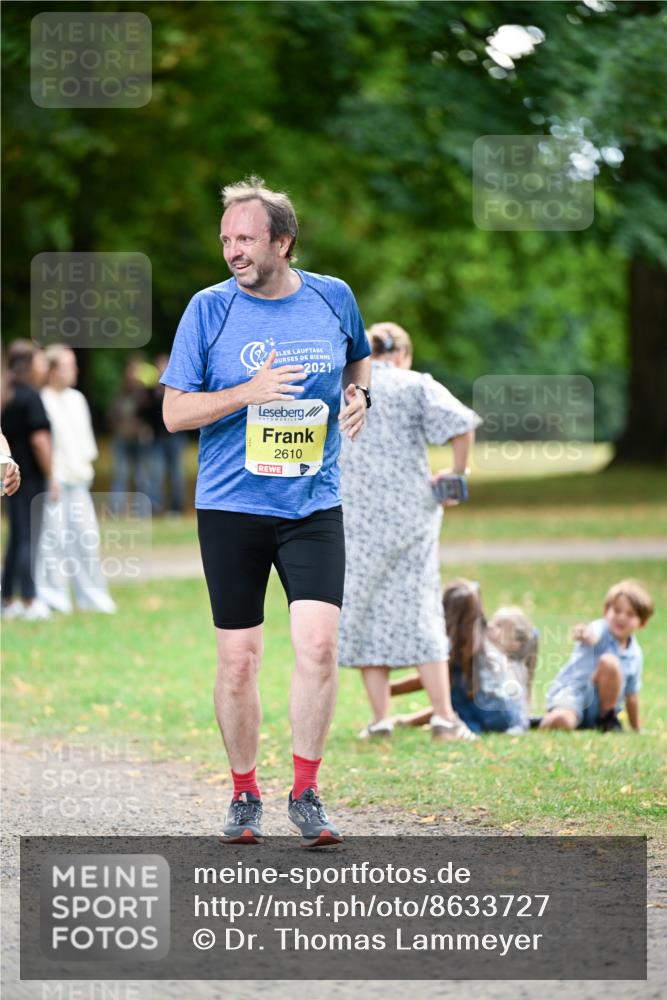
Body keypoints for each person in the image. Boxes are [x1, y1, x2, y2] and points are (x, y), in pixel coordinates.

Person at [160, 176, 371, 846]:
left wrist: (361, 396)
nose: (232, 251)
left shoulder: (333, 298)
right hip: (231, 507)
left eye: (245, 238)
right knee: (240, 661)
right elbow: (172, 413)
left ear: (282, 241)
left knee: (318, 644)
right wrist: (247, 392)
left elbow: (359, 362)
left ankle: (306, 791)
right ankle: (244, 794)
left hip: (313, 503)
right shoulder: (208, 309)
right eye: (225, 239)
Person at [338, 322, 480, 741]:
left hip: (355, 516)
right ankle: (443, 717)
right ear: (402, 354)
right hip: (410, 515)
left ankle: (380, 719)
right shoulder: (416, 384)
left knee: (363, 608)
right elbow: (461, 424)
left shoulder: (344, 388)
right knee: (419, 607)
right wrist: (456, 474)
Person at [34, 344, 116, 615]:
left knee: (86, 539)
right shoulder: (41, 400)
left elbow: (85, 445)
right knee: (53, 542)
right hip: (54, 483)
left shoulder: (77, 399)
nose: (75, 370)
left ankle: (92, 598)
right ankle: (54, 597)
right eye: (68, 365)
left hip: (78, 480)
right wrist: (51, 477)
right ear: (53, 370)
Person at [540, 579, 653, 733]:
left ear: (642, 623)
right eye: (617, 610)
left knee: (610, 663)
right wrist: (584, 633)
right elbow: (593, 635)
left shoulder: (635, 654)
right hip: (574, 696)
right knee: (564, 721)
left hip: (598, 708)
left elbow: (631, 695)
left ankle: (607, 720)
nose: (621, 618)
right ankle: (544, 720)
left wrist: (637, 729)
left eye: (630, 614)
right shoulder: (600, 628)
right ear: (606, 611)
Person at [441, 580, 536, 735]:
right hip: (506, 715)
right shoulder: (485, 645)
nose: (490, 626)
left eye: (500, 626)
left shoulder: (474, 645)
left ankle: (469, 727)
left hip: (495, 714)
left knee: (455, 684)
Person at [1, 340, 53, 621]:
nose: (44, 366)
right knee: (28, 537)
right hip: (29, 478)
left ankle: (7, 598)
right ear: (30, 365)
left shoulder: (6, 395)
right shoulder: (31, 396)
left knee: (16, 537)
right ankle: (30, 599)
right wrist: (52, 474)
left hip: (7, 477)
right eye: (41, 361)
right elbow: (40, 440)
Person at [108, 357, 156, 513]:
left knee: (141, 477)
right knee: (120, 475)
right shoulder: (121, 392)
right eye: (132, 370)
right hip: (122, 439)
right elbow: (112, 416)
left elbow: (152, 415)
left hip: (140, 441)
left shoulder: (146, 394)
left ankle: (142, 511)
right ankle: (116, 509)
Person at [149, 354, 186, 516]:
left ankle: (176, 509)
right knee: (156, 474)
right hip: (157, 438)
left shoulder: (178, 389)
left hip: (175, 437)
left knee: (176, 474)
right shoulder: (151, 391)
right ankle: (156, 508)